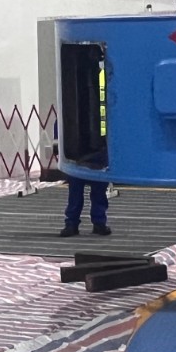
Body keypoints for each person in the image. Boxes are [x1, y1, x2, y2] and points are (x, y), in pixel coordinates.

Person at [60, 62, 112, 237]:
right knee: (90, 191)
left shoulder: (73, 88)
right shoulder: (105, 83)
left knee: (84, 191)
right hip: (94, 147)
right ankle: (93, 222)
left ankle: (78, 223)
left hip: (85, 147)